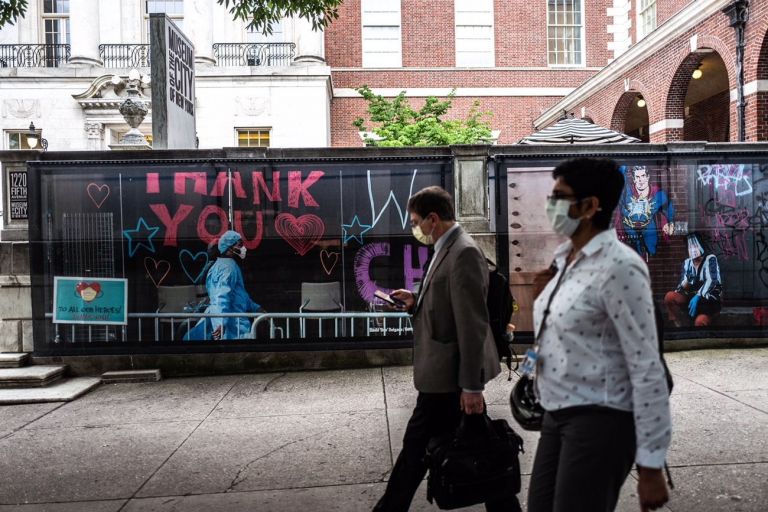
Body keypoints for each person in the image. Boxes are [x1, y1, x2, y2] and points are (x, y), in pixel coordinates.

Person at [527, 158, 671, 512]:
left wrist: (651, 464)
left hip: (599, 419)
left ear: (590, 206)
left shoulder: (620, 266)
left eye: (560, 196)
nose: (551, 204)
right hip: (556, 413)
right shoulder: (565, 260)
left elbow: (646, 364)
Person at [372, 186, 512, 512]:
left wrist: (472, 387)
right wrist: (414, 300)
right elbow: (445, 302)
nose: (415, 228)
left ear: (433, 219)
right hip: (445, 374)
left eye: (417, 221)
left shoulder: (463, 252)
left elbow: (472, 324)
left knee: (415, 451)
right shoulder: (445, 247)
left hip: (448, 378)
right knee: (479, 445)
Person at [184, 230, 263, 340]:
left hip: (233, 322)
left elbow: (239, 294)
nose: (243, 248)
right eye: (239, 245)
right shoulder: (227, 269)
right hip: (233, 325)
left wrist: (256, 307)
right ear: (229, 248)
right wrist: (221, 323)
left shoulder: (226, 266)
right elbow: (221, 297)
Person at [616, 165, 675, 258]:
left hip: (649, 235)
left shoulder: (658, 193)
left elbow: (669, 209)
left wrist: (670, 223)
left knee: (650, 253)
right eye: (638, 177)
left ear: (648, 177)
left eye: (643, 176)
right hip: (629, 239)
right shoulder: (627, 192)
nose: (641, 180)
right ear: (634, 179)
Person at [664, 233, 722, 327]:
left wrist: (698, 296)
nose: (693, 250)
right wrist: (688, 280)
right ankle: (678, 324)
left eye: (695, 246)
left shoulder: (710, 259)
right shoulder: (687, 263)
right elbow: (682, 285)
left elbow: (712, 280)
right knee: (669, 297)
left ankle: (705, 325)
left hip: (708, 302)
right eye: (690, 247)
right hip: (690, 298)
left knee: (700, 322)